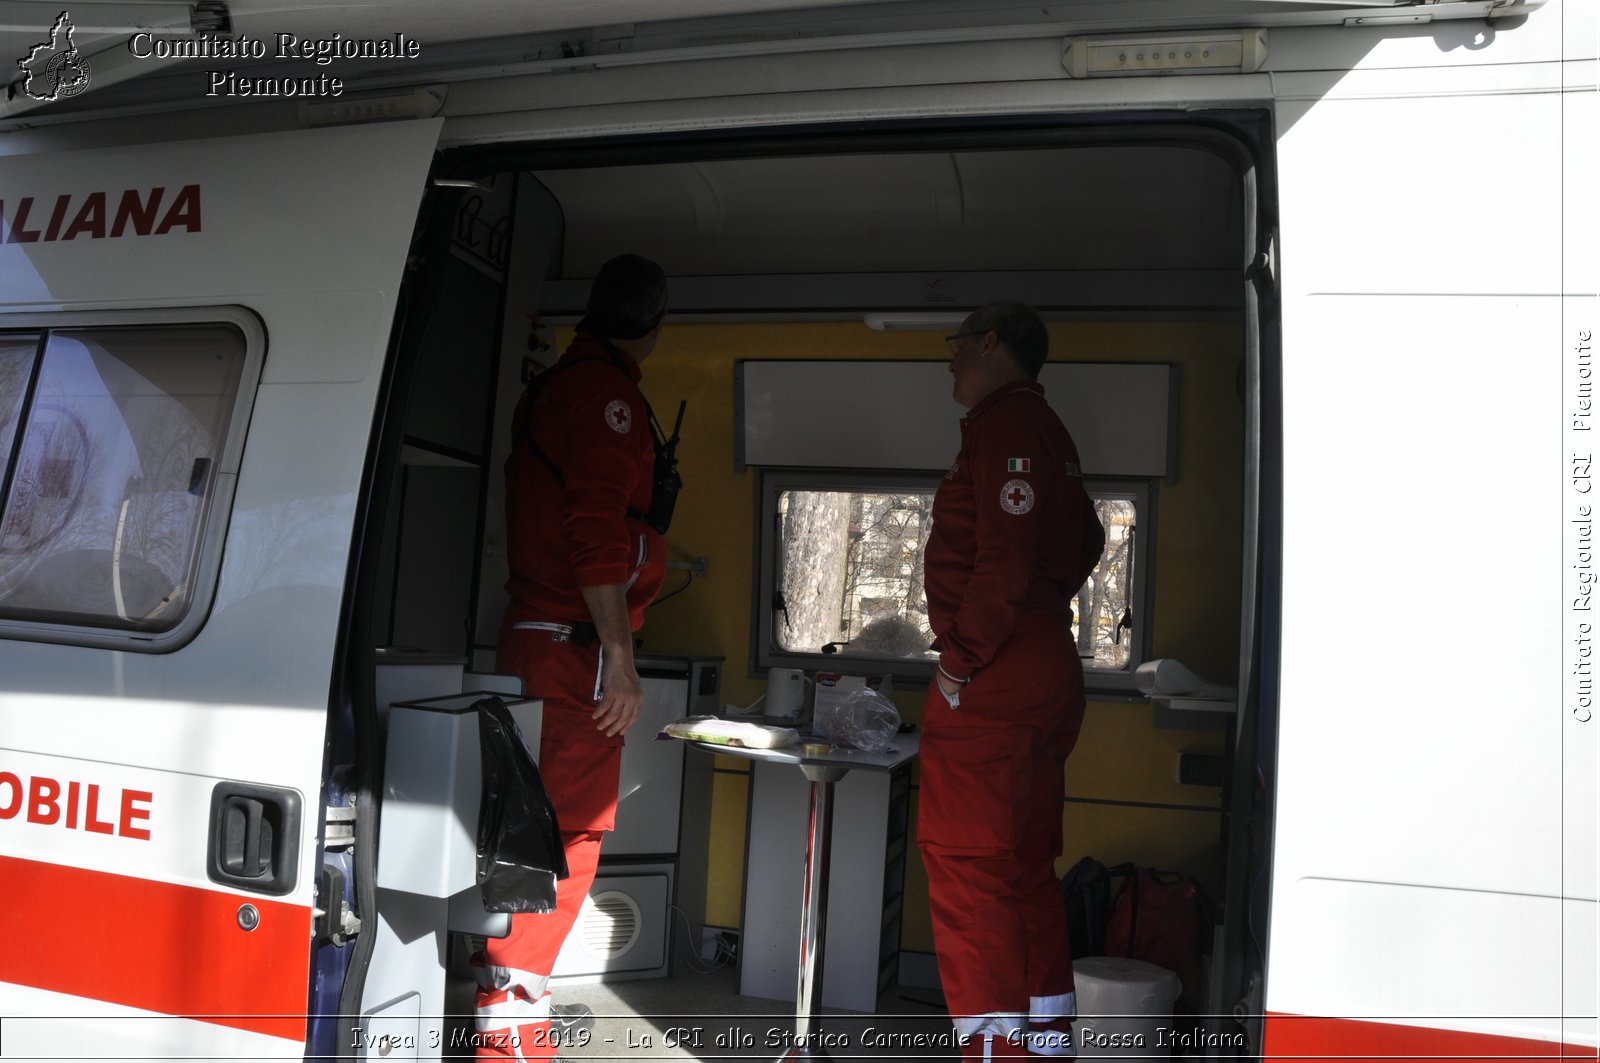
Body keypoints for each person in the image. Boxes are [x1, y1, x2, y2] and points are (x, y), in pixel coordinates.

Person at [473, 254, 671, 1060]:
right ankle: (514, 1036)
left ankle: (516, 1015)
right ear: (653, 327)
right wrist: (619, 656)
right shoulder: (608, 397)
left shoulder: (557, 385)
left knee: (528, 832)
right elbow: (594, 529)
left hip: (540, 639)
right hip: (573, 652)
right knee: (565, 839)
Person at [918, 301, 1105, 1062]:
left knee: (970, 868)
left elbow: (1002, 563)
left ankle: (995, 1051)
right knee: (1023, 865)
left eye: (959, 345)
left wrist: (959, 662)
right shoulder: (1047, 432)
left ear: (992, 344)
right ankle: (1042, 1041)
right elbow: (1087, 535)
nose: (950, 360)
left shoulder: (1005, 427)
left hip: (996, 671)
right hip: (1044, 662)